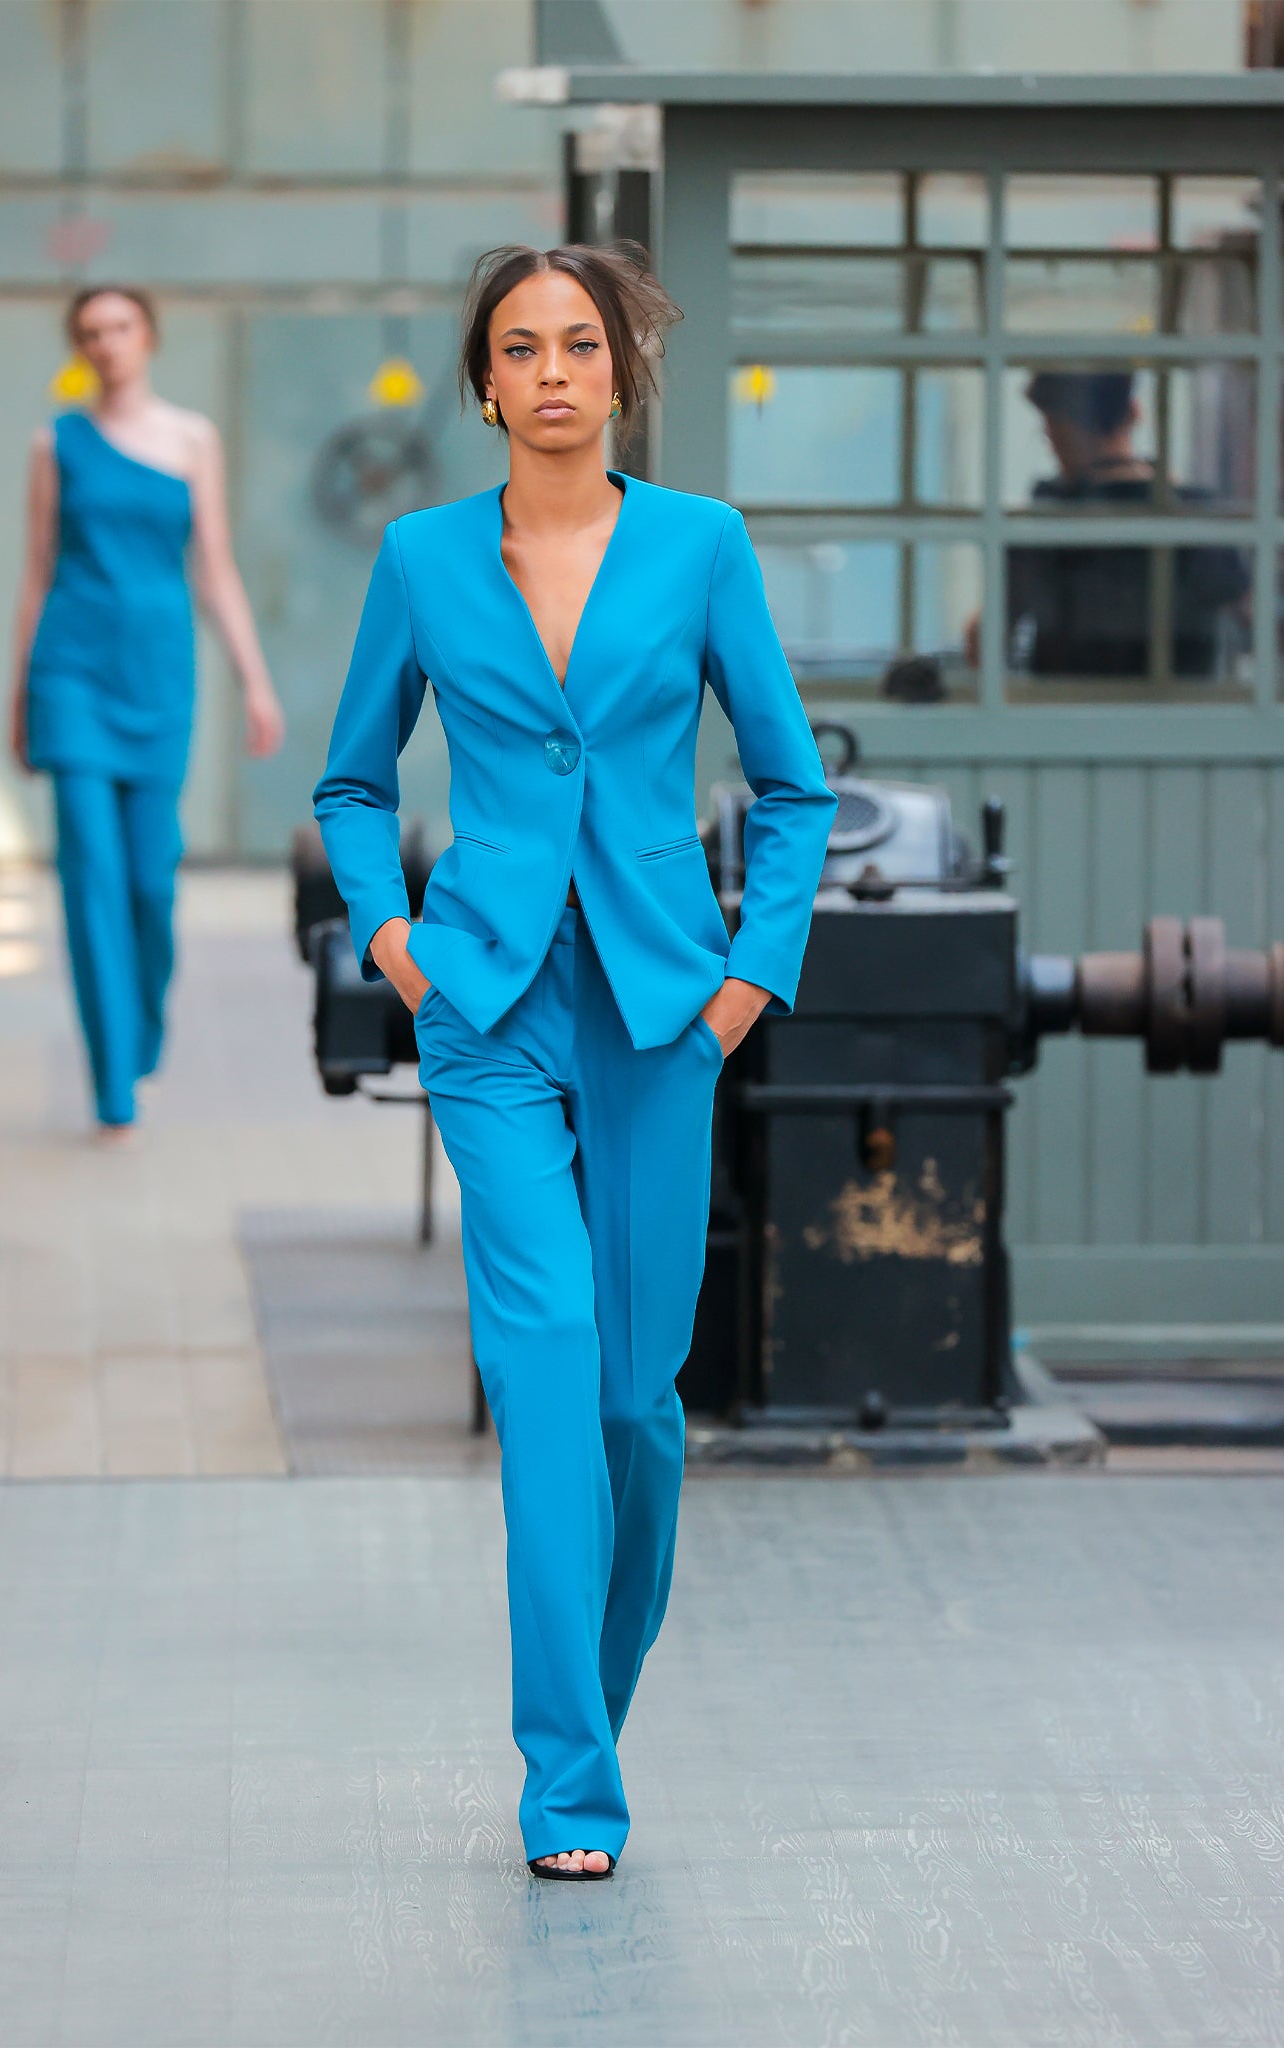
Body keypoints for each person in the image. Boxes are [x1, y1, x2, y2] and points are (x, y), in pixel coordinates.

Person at [315, 243, 836, 1880]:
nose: (552, 370)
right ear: (484, 384)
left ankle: (588, 1699)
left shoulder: (701, 546)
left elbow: (792, 784)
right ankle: (571, 1787)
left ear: (620, 375)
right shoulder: (417, 558)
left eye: (581, 345)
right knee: (543, 1366)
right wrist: (395, 940)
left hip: (664, 1005)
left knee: (633, 1402)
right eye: (521, 347)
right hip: (484, 1002)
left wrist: (751, 977)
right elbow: (348, 783)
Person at [10, 286, 285, 1137]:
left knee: (149, 879)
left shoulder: (191, 439)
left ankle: (143, 1028)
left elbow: (215, 567)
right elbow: (35, 570)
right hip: (72, 675)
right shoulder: (55, 442)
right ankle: (110, 1078)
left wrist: (255, 679)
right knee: (88, 872)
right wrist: (18, 695)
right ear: (78, 348)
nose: (107, 343)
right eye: (90, 332)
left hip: (160, 675)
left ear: (149, 338)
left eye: (121, 327)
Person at [1005, 370, 1250, 680]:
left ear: (1060, 427)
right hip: (1182, 719)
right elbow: (1250, 614)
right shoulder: (1195, 509)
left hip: (1067, 716)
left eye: (1048, 431)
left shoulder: (1049, 512)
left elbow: (986, 637)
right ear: (1135, 412)